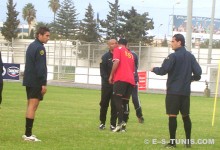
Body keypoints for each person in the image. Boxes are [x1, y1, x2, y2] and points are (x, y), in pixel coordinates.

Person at [150, 34, 202, 148]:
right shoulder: (190, 56)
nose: (171, 43)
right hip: (185, 92)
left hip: (173, 92)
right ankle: (188, 142)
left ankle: (172, 143)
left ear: (179, 42)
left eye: (173, 41)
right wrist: (190, 79)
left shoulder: (172, 57)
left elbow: (164, 70)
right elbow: (198, 73)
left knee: (172, 116)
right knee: (186, 116)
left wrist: (154, 69)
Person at [22, 27, 50, 142]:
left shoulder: (31, 45)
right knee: (33, 106)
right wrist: (43, 83)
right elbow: (40, 67)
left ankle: (27, 133)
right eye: (47, 35)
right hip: (35, 81)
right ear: (39, 35)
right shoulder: (39, 48)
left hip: (29, 80)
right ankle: (28, 134)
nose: (48, 38)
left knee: (30, 105)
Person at [109, 38, 135, 132]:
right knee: (125, 102)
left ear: (119, 44)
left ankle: (119, 123)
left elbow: (116, 62)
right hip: (130, 80)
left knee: (117, 100)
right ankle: (124, 126)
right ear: (126, 44)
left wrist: (111, 75)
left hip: (121, 78)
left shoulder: (118, 49)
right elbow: (132, 69)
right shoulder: (130, 54)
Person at [99, 39, 118, 131]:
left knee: (114, 105)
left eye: (115, 43)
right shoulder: (105, 57)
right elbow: (102, 71)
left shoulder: (119, 56)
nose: (113, 45)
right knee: (104, 104)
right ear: (108, 45)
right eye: (111, 44)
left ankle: (113, 124)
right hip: (106, 85)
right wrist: (108, 80)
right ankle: (102, 123)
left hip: (116, 85)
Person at [130, 50, 144, 123]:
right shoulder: (121, 53)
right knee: (122, 98)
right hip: (125, 79)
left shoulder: (133, 54)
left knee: (135, 98)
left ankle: (140, 116)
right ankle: (121, 117)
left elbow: (136, 66)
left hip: (133, 79)